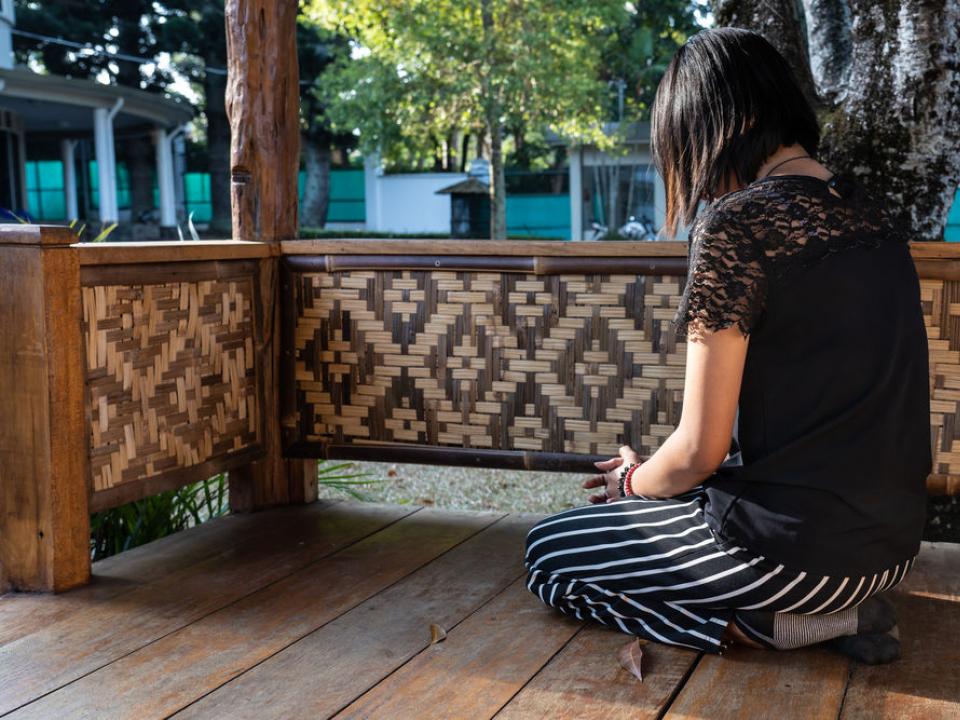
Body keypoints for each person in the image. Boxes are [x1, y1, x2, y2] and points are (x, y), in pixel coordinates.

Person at [523, 26, 932, 665]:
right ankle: (838, 610)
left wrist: (633, 486)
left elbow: (697, 450)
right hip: (895, 548)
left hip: (796, 556)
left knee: (549, 555)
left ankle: (779, 625)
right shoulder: (873, 215)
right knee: (668, 503)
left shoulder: (739, 225)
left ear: (706, 129)